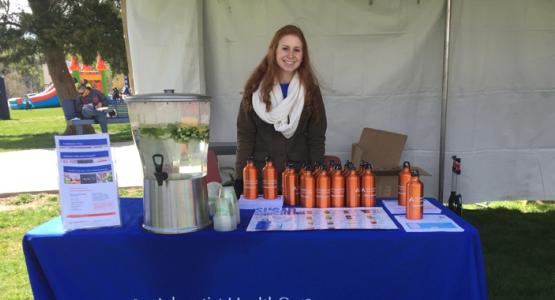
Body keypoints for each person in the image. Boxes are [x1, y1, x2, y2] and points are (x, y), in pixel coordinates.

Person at [234, 24, 327, 196]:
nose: (291, 55)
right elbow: (245, 137)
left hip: (300, 182)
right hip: (261, 182)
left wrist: (317, 175)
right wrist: (240, 178)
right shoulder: (255, 90)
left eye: (297, 50)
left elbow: (316, 139)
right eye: (285, 48)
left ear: (303, 55)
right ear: (274, 51)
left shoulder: (311, 92)